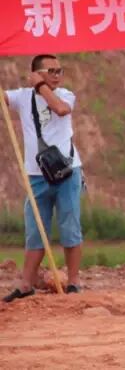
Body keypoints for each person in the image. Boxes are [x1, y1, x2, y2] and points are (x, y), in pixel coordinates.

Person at [2, 54, 84, 303]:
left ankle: (73, 282)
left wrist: (41, 86)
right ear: (36, 73)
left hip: (67, 171)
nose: (57, 75)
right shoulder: (22, 97)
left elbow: (61, 109)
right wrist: (33, 87)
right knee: (35, 230)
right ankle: (26, 284)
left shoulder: (66, 95)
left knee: (70, 226)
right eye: (51, 71)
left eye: (60, 70)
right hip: (37, 175)